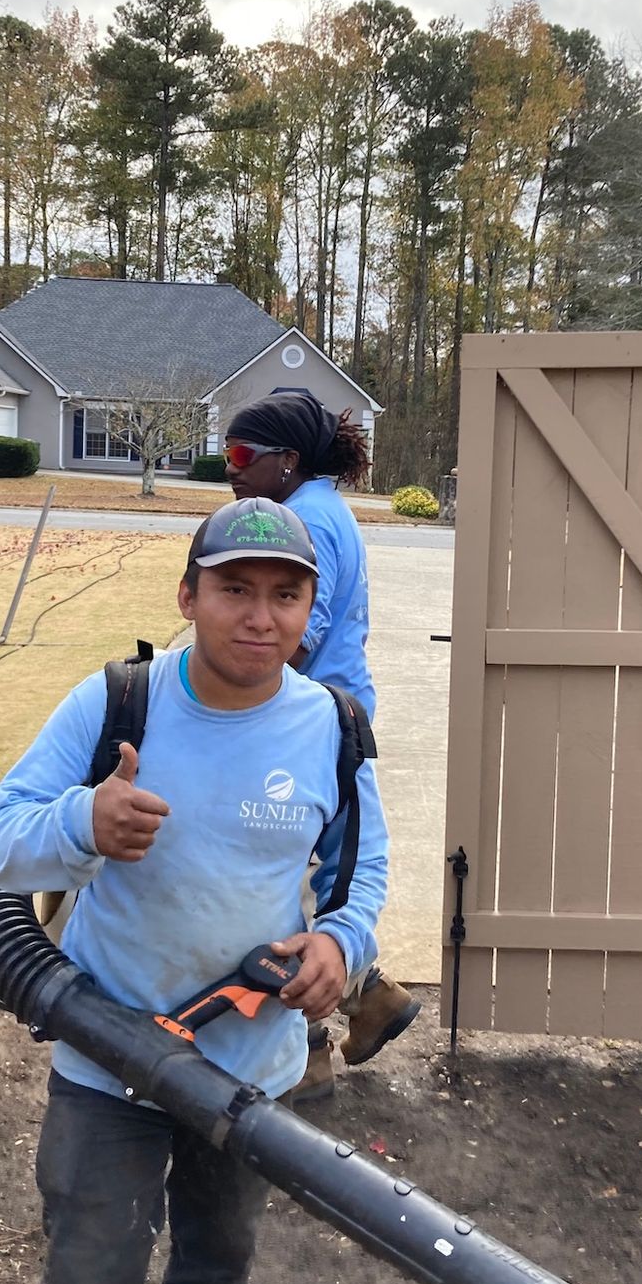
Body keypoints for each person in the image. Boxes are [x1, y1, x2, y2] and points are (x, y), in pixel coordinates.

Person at [0, 496, 389, 1284]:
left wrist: (341, 944)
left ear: (311, 609)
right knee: (91, 1274)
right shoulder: (116, 699)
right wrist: (82, 822)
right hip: (108, 1058)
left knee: (214, 1270)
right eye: (234, 588)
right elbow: (0, 841)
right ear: (188, 596)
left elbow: (359, 875)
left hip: (248, 1072)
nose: (260, 617)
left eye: (285, 595)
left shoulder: (335, 729)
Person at [221, 392, 420, 1099]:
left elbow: (300, 630)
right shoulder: (321, 508)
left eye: (243, 457)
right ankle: (369, 1003)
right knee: (300, 876)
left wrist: (230, 691)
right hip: (328, 716)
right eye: (227, 456)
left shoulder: (305, 518)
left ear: (288, 461)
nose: (231, 472)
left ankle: (311, 1054)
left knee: (277, 880)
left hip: (313, 726)